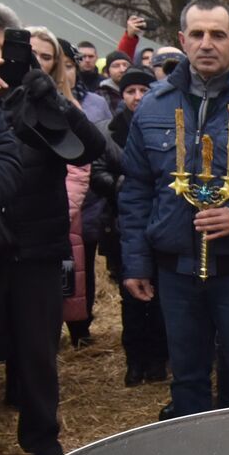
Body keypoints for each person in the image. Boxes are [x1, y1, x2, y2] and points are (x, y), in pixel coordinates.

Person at [119, 0, 229, 417]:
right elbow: (137, 190)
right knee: (188, 374)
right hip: (176, 268)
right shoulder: (155, 106)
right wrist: (136, 263)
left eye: (217, 34)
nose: (206, 43)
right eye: (197, 34)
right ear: (181, 41)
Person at [0, 62, 106, 455]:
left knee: (38, 352)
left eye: (44, 57)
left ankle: (42, 439)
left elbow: (94, 148)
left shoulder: (42, 102)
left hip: (37, 248)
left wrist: (55, 101)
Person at [101, 67, 168, 385]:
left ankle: (156, 359)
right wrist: (118, 184)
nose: (137, 97)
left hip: (157, 222)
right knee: (131, 299)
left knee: (157, 299)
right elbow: (97, 171)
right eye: (130, 91)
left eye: (143, 90)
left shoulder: (162, 125)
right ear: (122, 95)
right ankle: (134, 360)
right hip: (121, 225)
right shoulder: (111, 131)